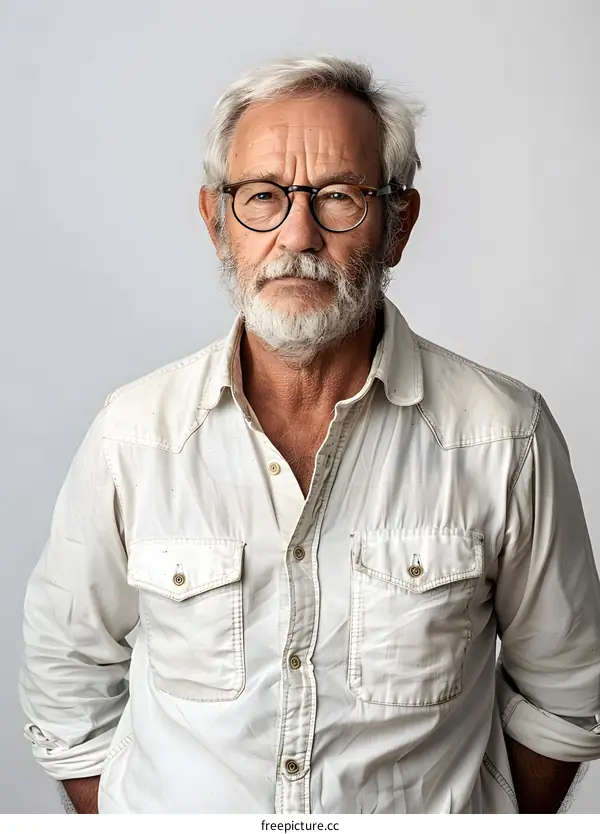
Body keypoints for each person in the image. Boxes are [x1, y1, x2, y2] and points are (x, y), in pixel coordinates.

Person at [19, 55, 600, 815]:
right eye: (262, 196)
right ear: (216, 221)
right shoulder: (133, 436)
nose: (297, 234)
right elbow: (67, 681)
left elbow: (565, 691)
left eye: (339, 198)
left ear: (398, 223)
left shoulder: (502, 436)